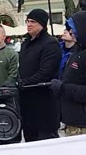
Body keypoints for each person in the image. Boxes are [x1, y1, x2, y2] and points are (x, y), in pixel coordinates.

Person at [18, 9, 62, 142]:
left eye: (33, 22)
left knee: (46, 143)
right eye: (28, 21)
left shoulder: (50, 43)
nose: (29, 24)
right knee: (30, 141)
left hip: (44, 104)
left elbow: (46, 72)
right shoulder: (26, 43)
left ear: (42, 24)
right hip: (27, 103)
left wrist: (24, 83)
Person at [50, 10, 86, 136]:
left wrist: (62, 88)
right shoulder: (77, 51)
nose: (70, 32)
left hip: (82, 125)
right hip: (71, 120)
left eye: (73, 28)